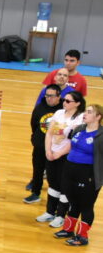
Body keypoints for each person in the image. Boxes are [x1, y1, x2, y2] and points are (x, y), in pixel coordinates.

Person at [53, 104, 103, 246]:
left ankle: (82, 237)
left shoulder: (101, 135)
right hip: (70, 171)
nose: (85, 114)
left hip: (88, 174)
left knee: (86, 205)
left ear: (98, 117)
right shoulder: (79, 129)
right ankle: (68, 230)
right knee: (73, 201)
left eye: (89, 112)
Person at [42, 90, 86, 228]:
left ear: (77, 103)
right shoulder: (59, 113)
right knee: (52, 182)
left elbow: (73, 141)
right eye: (64, 100)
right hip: (52, 153)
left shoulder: (80, 118)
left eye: (68, 101)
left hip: (66, 156)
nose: (64, 103)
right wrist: (48, 150)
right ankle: (50, 211)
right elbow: (49, 133)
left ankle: (61, 215)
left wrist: (59, 154)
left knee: (64, 186)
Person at [26, 85, 63, 205]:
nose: (48, 98)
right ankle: (35, 193)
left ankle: (58, 197)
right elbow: (34, 124)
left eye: (52, 96)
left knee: (56, 174)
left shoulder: (63, 110)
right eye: (47, 95)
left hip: (57, 148)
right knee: (37, 170)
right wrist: (36, 139)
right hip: (40, 146)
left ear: (59, 96)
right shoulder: (39, 108)